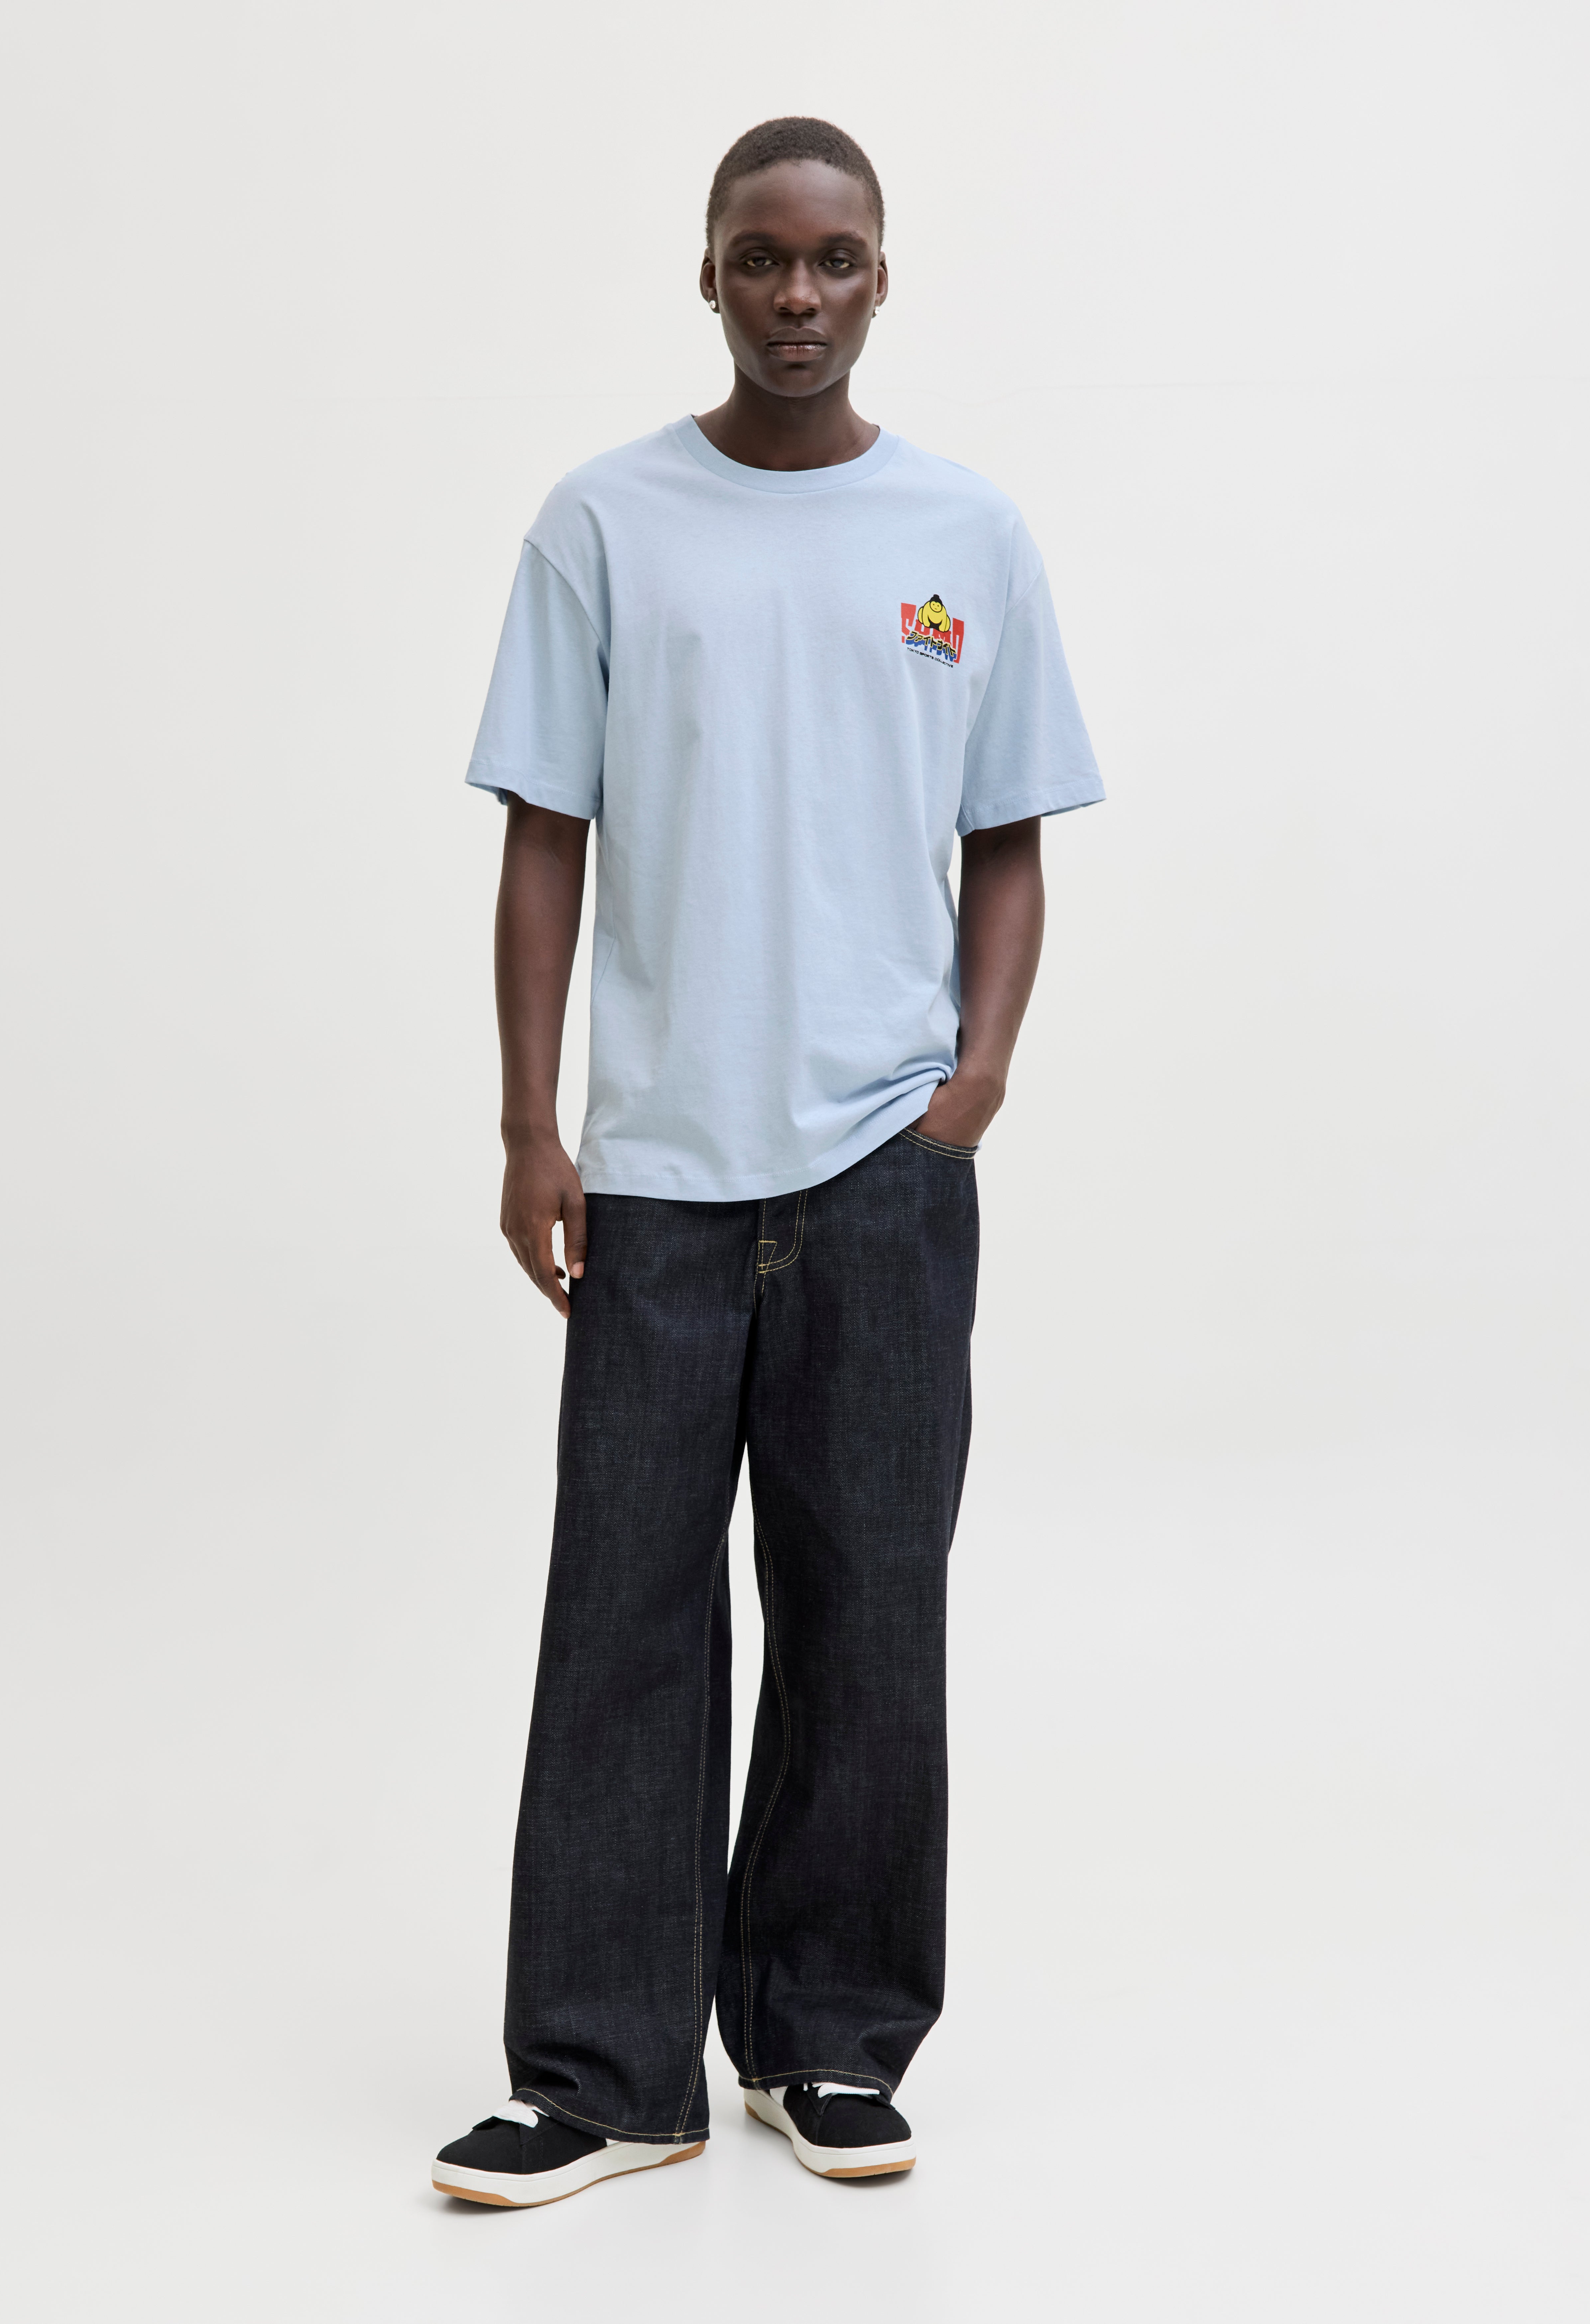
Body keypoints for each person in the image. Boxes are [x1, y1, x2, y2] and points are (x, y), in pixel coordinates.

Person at [432, 116, 1101, 2210]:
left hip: (884, 1165)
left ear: (882, 276)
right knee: (622, 1613)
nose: (796, 294)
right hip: (657, 1169)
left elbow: (1011, 835)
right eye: (758, 257)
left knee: (866, 1611)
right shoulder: (606, 522)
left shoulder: (964, 533)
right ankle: (605, 2069)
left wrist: (976, 1078)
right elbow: (546, 831)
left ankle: (827, 2037)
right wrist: (532, 1119)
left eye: (832, 260)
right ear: (707, 271)